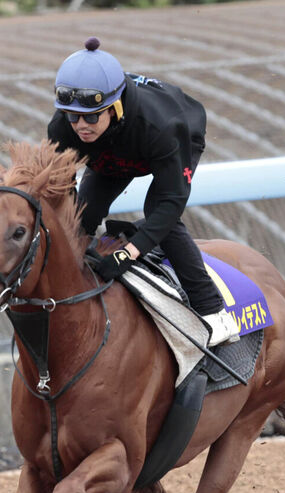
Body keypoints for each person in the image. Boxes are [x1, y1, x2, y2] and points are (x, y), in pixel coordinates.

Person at [47, 37, 240, 347]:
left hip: (172, 137)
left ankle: (213, 310)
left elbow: (171, 202)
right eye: (73, 116)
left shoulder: (162, 126)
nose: (81, 125)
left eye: (91, 116)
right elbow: (64, 193)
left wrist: (128, 252)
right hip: (112, 146)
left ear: (115, 107)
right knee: (82, 217)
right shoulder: (61, 128)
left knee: (159, 216)